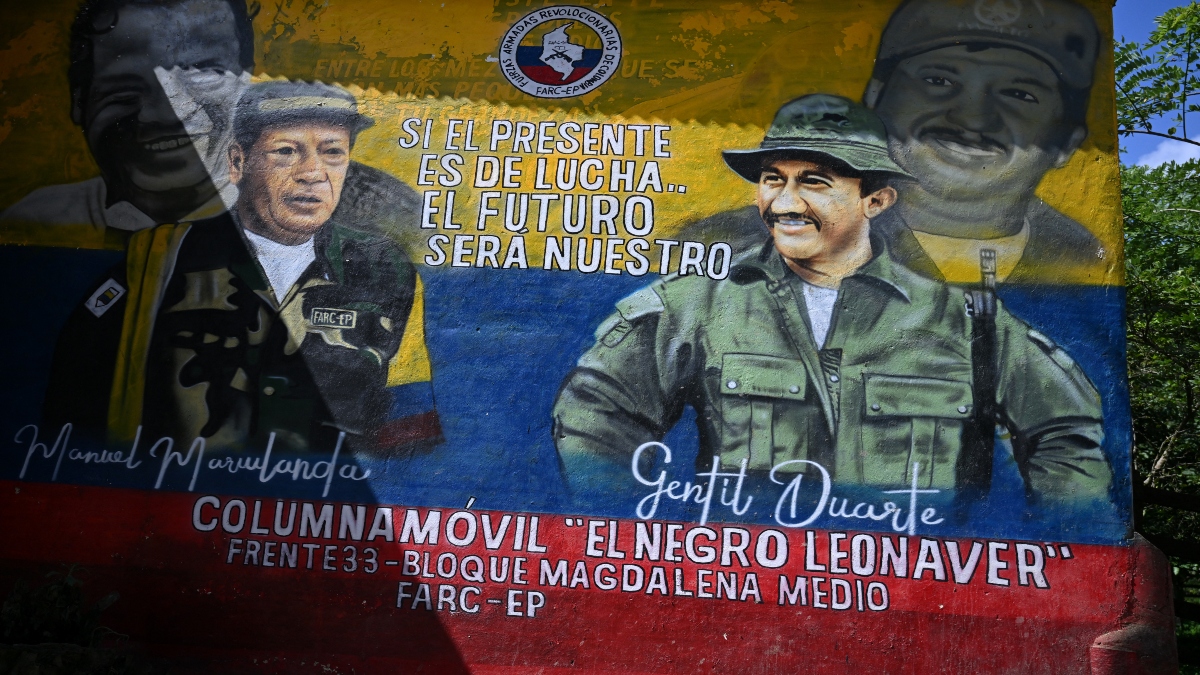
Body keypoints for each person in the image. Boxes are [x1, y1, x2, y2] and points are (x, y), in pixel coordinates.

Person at [553, 94, 1111, 504]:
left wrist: (1057, 536)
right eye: (773, 179)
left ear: (876, 201)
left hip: (913, 592)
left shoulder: (961, 320)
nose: (784, 203)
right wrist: (625, 528)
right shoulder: (696, 303)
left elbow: (1064, 433)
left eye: (814, 182)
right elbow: (596, 411)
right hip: (750, 585)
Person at [43, 81, 441, 455]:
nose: (312, 173)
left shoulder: (386, 271)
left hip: (313, 499)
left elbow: (409, 430)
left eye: (332, 152)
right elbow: (73, 409)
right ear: (238, 162)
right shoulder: (160, 261)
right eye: (286, 151)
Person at [683, 0, 1110, 286]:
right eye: (938, 80)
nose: (972, 118)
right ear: (874, 100)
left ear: (1066, 142)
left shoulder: (1087, 262)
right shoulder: (726, 244)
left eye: (1019, 94)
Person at [1, 0, 419, 240]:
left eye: (202, 72)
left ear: (248, 82)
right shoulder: (38, 222)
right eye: (125, 84)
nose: (165, 113)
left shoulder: (382, 218)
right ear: (80, 101)